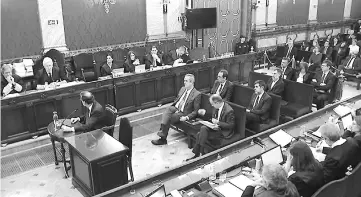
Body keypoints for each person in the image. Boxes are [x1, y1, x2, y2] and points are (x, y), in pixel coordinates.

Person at [151, 74, 201, 145]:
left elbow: (196, 111)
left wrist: (187, 117)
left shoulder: (197, 94)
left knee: (169, 117)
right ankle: (162, 134)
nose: (184, 82)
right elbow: (177, 99)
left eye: (186, 81)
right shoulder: (183, 89)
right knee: (167, 110)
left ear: (191, 82)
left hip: (184, 112)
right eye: (184, 80)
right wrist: (176, 108)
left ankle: (162, 138)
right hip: (176, 108)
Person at [186, 94, 235, 161]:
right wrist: (205, 114)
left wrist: (218, 122)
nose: (212, 106)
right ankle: (200, 154)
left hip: (223, 131)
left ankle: (198, 154)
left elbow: (231, 126)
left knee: (199, 134)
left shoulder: (229, 111)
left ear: (217, 103)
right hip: (215, 128)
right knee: (203, 128)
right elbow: (212, 118)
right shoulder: (216, 107)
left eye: (212, 104)